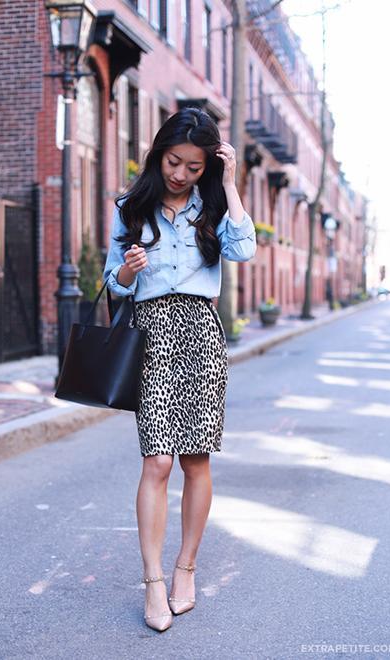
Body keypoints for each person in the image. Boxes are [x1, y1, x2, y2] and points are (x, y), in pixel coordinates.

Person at [103, 107, 256, 632]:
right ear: (158, 153)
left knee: (195, 461)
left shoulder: (213, 206)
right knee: (157, 463)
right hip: (151, 337)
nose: (180, 174)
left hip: (201, 335)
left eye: (193, 167)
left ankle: (185, 568)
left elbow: (243, 248)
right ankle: (152, 581)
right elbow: (114, 281)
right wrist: (128, 268)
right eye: (174, 162)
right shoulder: (131, 208)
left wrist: (230, 184)